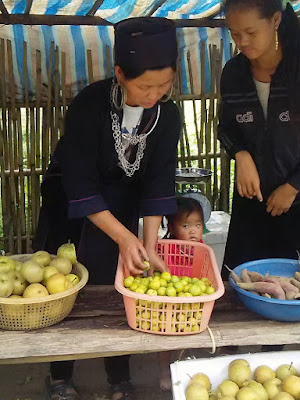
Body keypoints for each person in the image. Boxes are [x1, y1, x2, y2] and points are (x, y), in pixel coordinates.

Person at [34, 17, 181, 400]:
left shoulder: (168, 115)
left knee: (121, 289)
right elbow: (79, 182)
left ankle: (119, 376)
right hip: (71, 206)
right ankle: (60, 374)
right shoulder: (89, 105)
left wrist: (146, 246)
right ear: (120, 73)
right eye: (145, 85)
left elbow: (158, 183)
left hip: (125, 207)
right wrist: (123, 237)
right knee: (65, 291)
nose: (154, 95)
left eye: (164, 85)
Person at [218, 0, 300, 279]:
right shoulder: (233, 73)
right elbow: (226, 128)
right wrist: (240, 154)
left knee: (291, 289)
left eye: (251, 32)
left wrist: (293, 187)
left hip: (297, 202)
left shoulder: (297, 71)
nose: (242, 41)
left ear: (275, 20)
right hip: (251, 202)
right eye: (234, 33)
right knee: (241, 282)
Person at [158, 196, 204, 391]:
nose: (193, 231)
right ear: (171, 227)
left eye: (198, 225)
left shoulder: (202, 248)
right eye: (185, 226)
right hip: (168, 305)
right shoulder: (164, 248)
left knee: (187, 341)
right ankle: (163, 371)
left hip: (192, 305)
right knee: (166, 342)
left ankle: (181, 369)